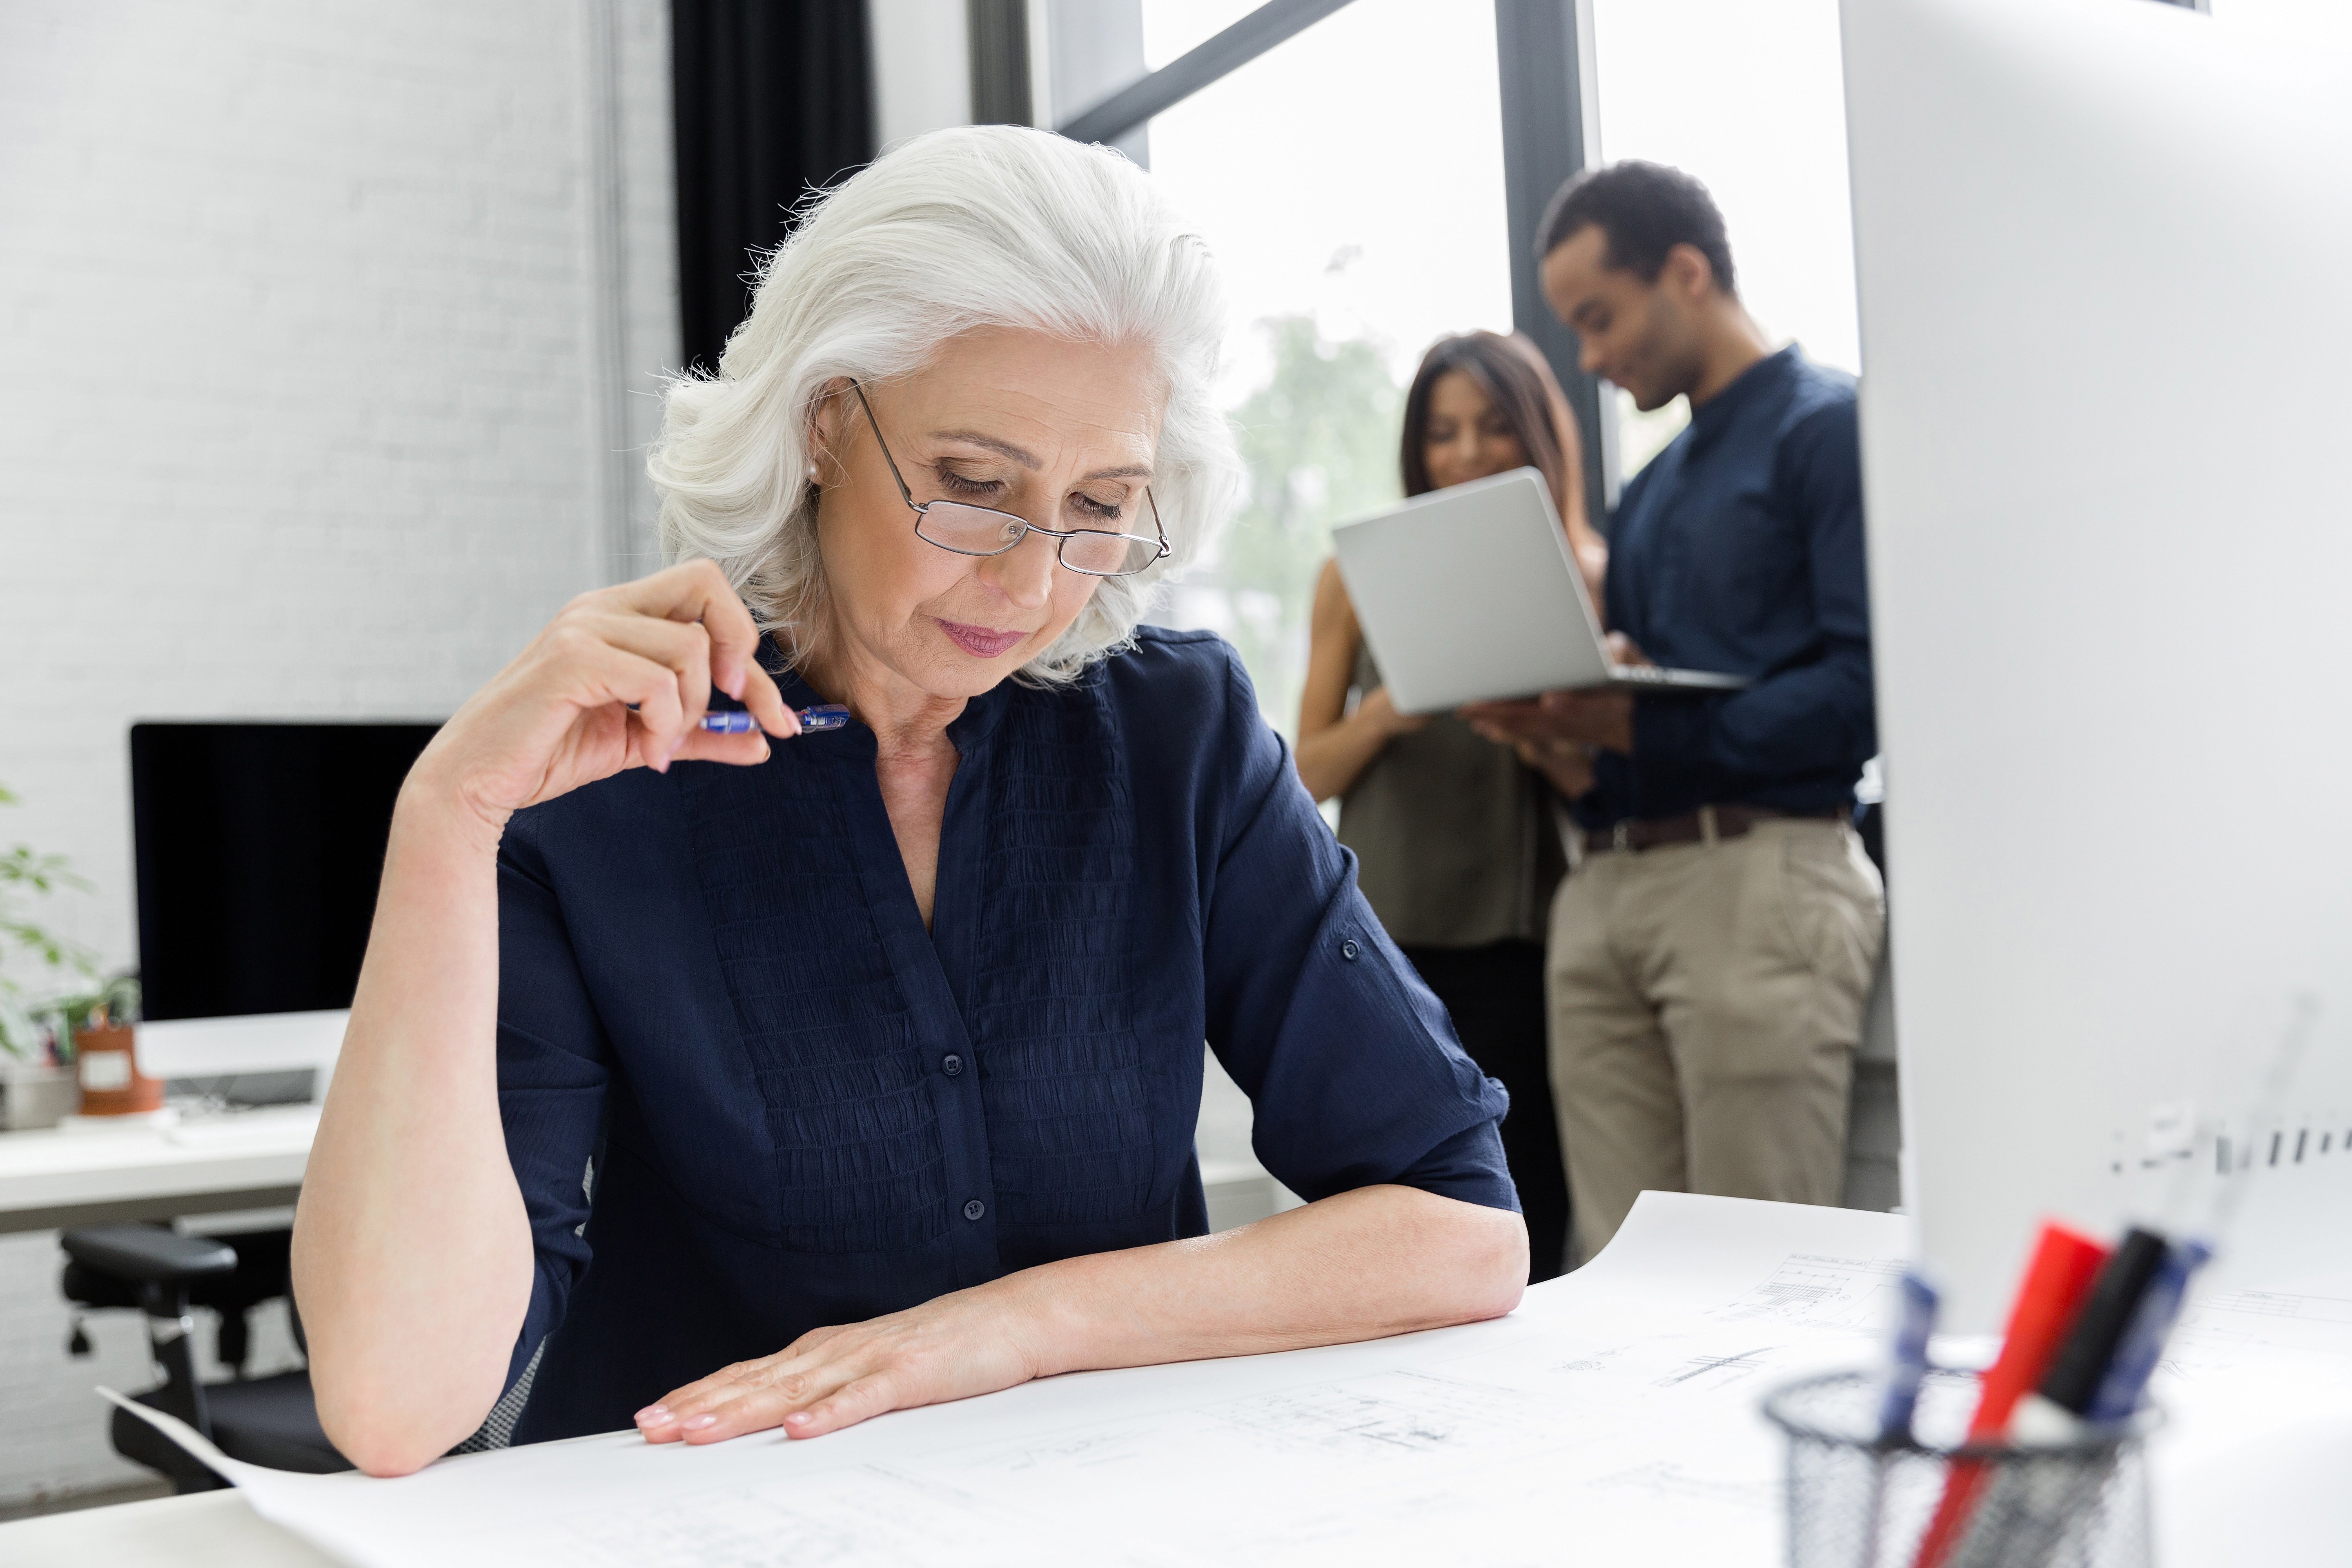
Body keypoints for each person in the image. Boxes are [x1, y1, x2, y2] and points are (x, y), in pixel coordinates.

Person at [289, 126, 1528, 1477]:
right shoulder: (608, 775)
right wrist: (447, 815)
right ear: (825, 425)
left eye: (1103, 504)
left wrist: (1014, 1326)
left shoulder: (1175, 731)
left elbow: (1460, 1228)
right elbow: (397, 1405)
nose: (1036, 580)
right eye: (975, 489)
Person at [1466, 161, 1884, 1262]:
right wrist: (1559, 731)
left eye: (1600, 320)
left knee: (1766, 1266)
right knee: (1617, 1270)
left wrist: (1634, 726)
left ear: (1686, 273)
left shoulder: (1829, 431)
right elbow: (1633, 736)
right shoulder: (1648, 496)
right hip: (1608, 893)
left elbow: (1866, 691)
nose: (1593, 360)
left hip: (1760, 883)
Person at [1293, 331, 1601, 1283]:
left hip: (1527, 936)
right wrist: (1388, 714)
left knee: (1530, 1199)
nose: (1467, 453)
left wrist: (1538, 731)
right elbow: (1305, 772)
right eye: (1443, 432)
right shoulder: (1357, 576)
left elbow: (1606, 785)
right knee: (1393, 1198)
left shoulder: (1586, 568)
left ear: (1540, 435)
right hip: (1389, 936)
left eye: (1494, 427)